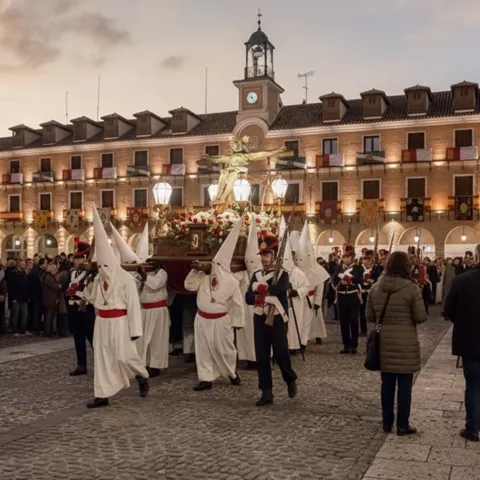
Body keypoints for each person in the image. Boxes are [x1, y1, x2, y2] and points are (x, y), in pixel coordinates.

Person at [85, 206, 149, 409]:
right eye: (100, 266)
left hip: (120, 322)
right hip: (102, 322)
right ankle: (102, 394)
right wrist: (86, 283)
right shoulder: (96, 278)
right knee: (102, 357)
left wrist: (135, 330)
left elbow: (133, 305)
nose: (103, 270)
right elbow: (92, 298)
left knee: (124, 356)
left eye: (106, 266)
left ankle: (141, 374)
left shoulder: (126, 280)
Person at [367, 251, 427, 436]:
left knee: (387, 386)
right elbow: (420, 317)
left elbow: (369, 316)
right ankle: (402, 425)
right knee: (405, 388)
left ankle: (387, 423)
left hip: (384, 343)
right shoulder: (412, 288)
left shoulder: (376, 287)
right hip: (406, 344)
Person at [184, 219, 244, 391]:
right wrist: (195, 270)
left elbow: (237, 303)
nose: (214, 266)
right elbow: (189, 285)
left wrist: (238, 322)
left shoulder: (231, 281)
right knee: (203, 350)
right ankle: (206, 378)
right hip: (202, 319)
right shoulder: (203, 276)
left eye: (218, 264)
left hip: (221, 320)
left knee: (225, 349)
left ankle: (232, 373)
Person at [245, 234, 298, 407]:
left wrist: (260, 291)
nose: (263, 258)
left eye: (267, 254)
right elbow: (248, 297)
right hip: (260, 319)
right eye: (262, 255)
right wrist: (261, 296)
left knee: (281, 354)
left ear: (274, 255)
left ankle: (289, 378)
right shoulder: (256, 274)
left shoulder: (282, 274)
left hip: (276, 320)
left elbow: (278, 289)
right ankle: (266, 392)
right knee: (261, 356)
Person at [443, 243, 480, 442]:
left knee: (473, 386)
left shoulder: (462, 280)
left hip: (471, 342)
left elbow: (448, 311)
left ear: (475, 257)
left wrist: (464, 321)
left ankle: (472, 428)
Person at [66, 238, 95, 376]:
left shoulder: (91, 274)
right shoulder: (72, 273)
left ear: (84, 259)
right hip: (73, 308)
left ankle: (101, 363)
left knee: (92, 338)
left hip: (85, 308)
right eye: (75, 259)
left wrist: (76, 291)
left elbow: (91, 290)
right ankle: (81, 364)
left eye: (78, 259)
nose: (75, 262)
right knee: (78, 337)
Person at [137, 258, 170, 377]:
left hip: (158, 310)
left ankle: (156, 365)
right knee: (143, 339)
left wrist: (144, 275)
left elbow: (155, 285)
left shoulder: (162, 273)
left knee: (157, 338)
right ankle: (144, 363)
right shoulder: (143, 274)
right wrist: (139, 274)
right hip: (144, 310)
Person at [333, 245, 363, 354]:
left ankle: (354, 345)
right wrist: (340, 281)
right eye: (344, 258)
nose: (346, 259)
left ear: (352, 258)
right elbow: (334, 280)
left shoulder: (358, 268)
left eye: (348, 257)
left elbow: (360, 280)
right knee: (343, 322)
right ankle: (346, 345)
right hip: (341, 296)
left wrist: (351, 280)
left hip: (352, 295)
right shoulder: (338, 268)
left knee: (354, 320)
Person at [10, 259, 30, 336]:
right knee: (15, 315)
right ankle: (15, 330)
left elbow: (26, 285)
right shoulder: (14, 273)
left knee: (25, 315)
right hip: (16, 297)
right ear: (19, 264)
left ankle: (23, 329)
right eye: (22, 264)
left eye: (24, 264)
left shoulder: (24, 273)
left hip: (24, 297)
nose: (24, 265)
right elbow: (11, 286)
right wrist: (13, 297)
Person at [42, 263, 61, 337]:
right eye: (55, 269)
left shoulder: (50, 276)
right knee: (48, 316)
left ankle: (51, 330)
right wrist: (58, 286)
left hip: (51, 299)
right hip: (49, 299)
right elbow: (55, 286)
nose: (56, 271)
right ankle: (48, 331)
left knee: (51, 316)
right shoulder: (48, 277)